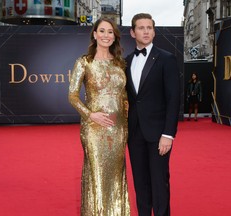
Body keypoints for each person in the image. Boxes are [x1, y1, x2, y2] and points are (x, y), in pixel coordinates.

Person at [68, 18, 130, 216]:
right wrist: (90, 115)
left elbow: (125, 98)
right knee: (97, 175)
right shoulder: (84, 62)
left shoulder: (120, 63)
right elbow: (72, 96)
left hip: (119, 129)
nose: (106, 35)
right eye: (102, 31)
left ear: (115, 36)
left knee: (115, 176)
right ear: (94, 35)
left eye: (110, 32)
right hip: (94, 129)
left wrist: (126, 127)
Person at [125, 13, 180, 216]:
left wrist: (168, 134)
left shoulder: (167, 59)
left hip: (158, 134)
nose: (146, 31)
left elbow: (173, 99)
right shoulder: (126, 61)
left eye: (149, 27)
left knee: (159, 183)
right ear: (133, 32)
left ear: (154, 31)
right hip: (134, 132)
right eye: (141, 28)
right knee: (140, 183)